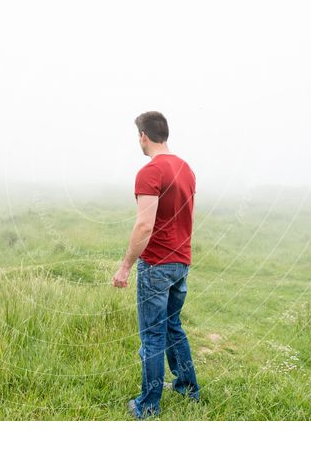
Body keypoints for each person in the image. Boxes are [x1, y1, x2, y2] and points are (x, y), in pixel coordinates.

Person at [112, 110, 201, 419]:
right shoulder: (186, 169)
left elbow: (144, 226)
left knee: (152, 335)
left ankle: (148, 405)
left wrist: (125, 266)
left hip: (157, 264)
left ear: (144, 136)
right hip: (181, 262)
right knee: (173, 327)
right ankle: (189, 388)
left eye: (138, 135)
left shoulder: (150, 172)